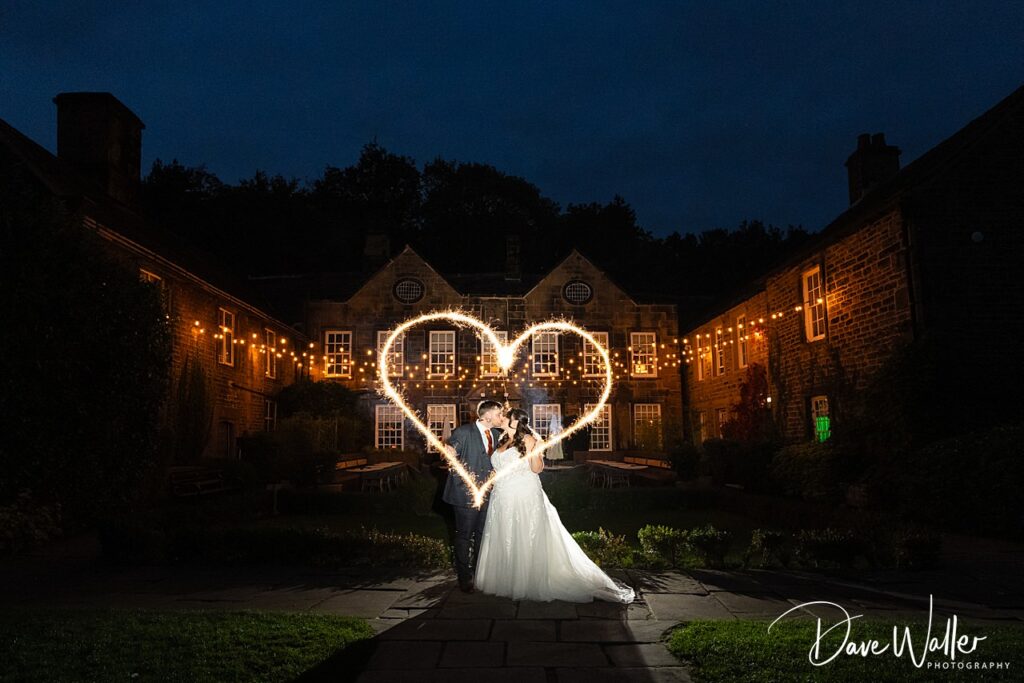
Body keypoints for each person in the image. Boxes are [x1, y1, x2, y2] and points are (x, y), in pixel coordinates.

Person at [473, 408, 635, 603]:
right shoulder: (501, 439)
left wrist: (536, 451)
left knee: (525, 533)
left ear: (515, 421)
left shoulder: (528, 440)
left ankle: (526, 581)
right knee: (505, 533)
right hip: (502, 496)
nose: (501, 417)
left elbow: (536, 469)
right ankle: (505, 578)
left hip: (523, 493)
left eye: (505, 416)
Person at [441, 399, 507, 593]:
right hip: (465, 494)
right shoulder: (463, 432)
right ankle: (464, 577)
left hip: (488, 494)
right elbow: (451, 450)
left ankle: (480, 573)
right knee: (464, 535)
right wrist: (450, 452)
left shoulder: (496, 434)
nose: (500, 417)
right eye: (498, 414)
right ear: (487, 416)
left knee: (482, 535)